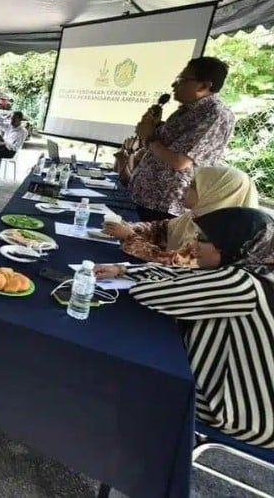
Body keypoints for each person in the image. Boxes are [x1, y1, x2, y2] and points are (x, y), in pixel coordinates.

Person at [95, 207, 274, 448]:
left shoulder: (241, 284)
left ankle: (114, 452)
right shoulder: (256, 271)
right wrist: (125, 270)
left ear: (228, 245)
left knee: (130, 372)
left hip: (241, 414)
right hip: (236, 396)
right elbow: (183, 277)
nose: (194, 246)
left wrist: (136, 278)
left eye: (203, 239)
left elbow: (153, 294)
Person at [129, 57, 236, 221]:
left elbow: (180, 161)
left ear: (203, 86)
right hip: (149, 199)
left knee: (148, 246)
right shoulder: (187, 110)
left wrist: (149, 137)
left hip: (167, 205)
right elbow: (164, 147)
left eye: (182, 80)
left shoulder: (214, 114)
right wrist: (154, 126)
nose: (174, 85)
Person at [103, 166, 258, 267]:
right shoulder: (195, 216)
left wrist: (130, 236)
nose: (184, 189)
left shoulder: (221, 234)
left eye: (192, 186)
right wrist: (132, 227)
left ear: (213, 194)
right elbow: (162, 228)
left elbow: (175, 263)